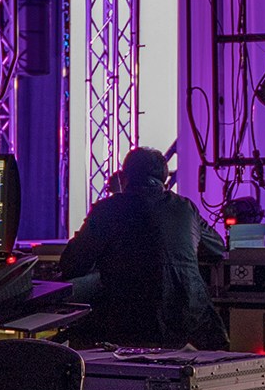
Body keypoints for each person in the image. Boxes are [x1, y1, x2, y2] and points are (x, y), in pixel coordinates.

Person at [56, 146, 227, 347]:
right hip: (187, 320)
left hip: (128, 322)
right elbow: (217, 246)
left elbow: (72, 264)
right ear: (164, 179)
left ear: (123, 177)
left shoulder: (109, 209)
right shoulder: (185, 208)